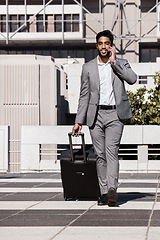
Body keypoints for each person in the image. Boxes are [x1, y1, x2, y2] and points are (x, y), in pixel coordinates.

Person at [72, 30, 137, 206]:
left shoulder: (121, 63)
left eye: (107, 43)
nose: (103, 46)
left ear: (111, 45)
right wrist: (79, 120)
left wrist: (115, 62)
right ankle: (103, 192)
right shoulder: (88, 67)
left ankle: (112, 189)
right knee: (100, 155)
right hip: (96, 115)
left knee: (111, 151)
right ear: (96, 45)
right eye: (100, 43)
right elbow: (84, 95)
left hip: (116, 115)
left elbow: (132, 79)